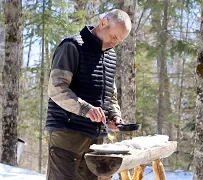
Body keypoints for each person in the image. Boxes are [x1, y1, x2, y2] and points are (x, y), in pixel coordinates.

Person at [46, 9, 132, 180]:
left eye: (119, 40)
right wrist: (86, 109)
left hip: (95, 141)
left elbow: (110, 94)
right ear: (103, 23)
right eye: (114, 37)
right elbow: (56, 88)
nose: (114, 43)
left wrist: (113, 115)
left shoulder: (110, 56)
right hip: (67, 135)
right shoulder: (72, 46)